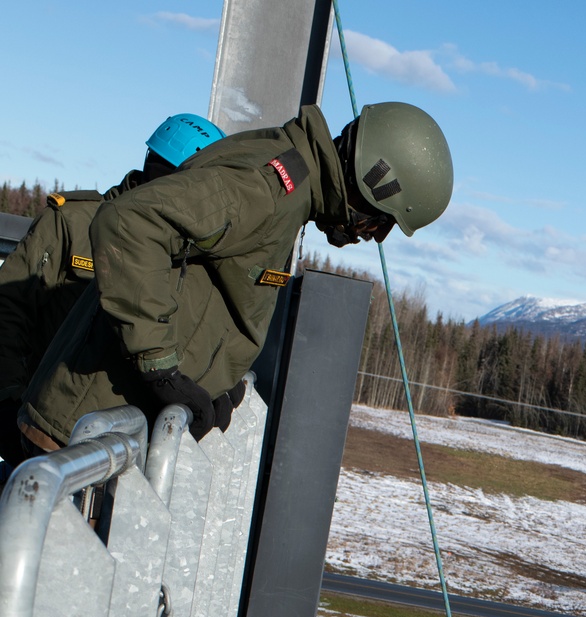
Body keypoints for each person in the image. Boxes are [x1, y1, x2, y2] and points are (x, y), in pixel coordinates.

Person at [17, 101, 453, 453]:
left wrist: (213, 382)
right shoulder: (268, 189)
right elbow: (129, 222)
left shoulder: (291, 186)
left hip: (103, 428)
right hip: (81, 432)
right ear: (374, 181)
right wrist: (160, 368)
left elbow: (209, 283)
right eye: (383, 222)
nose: (375, 235)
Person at [0, 114, 225, 466]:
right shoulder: (74, 223)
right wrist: (7, 399)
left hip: (126, 445)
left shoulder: (189, 257)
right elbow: (7, 310)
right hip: (46, 432)